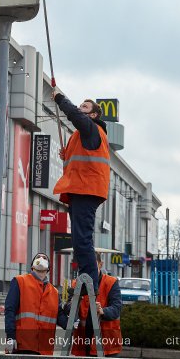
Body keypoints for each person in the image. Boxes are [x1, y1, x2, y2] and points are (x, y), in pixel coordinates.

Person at [52, 90, 111, 293]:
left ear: (93, 115)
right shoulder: (82, 134)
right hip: (82, 189)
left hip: (87, 189)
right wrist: (66, 153)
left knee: (82, 239)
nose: (80, 108)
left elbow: (74, 115)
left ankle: (90, 284)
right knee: (79, 240)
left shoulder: (91, 128)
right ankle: (88, 281)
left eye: (85, 107)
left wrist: (60, 99)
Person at [3, 253, 68, 355]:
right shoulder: (20, 281)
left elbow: (60, 316)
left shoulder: (54, 292)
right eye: (38, 257)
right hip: (23, 346)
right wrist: (11, 337)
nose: (41, 258)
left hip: (45, 348)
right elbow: (10, 310)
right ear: (32, 266)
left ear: (48, 268)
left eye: (44, 258)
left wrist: (73, 322)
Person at [67, 253, 123, 357]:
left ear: (100, 264)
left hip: (107, 345)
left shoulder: (111, 282)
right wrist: (73, 305)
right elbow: (68, 308)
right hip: (83, 343)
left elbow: (117, 308)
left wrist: (103, 311)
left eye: (92, 264)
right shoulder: (76, 284)